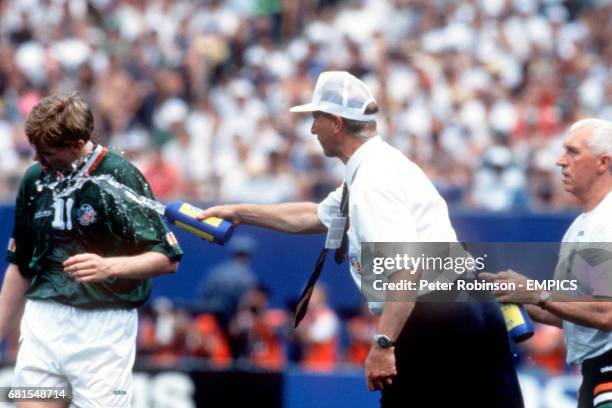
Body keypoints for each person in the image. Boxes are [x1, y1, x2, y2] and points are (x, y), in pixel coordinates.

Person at [199, 71, 523, 406]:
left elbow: (406, 269)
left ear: (336, 123)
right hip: (466, 308)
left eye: (316, 119)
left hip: (435, 319)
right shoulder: (381, 166)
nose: (312, 129)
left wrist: (384, 343)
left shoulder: (371, 182)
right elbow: (311, 216)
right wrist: (238, 212)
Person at [0, 92, 183, 408]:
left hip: (102, 331)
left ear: (76, 144)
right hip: (43, 323)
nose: (36, 159)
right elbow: (20, 264)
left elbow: (168, 258)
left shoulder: (119, 176)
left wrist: (109, 267)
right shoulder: (35, 180)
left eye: (46, 152)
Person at [482, 118, 612, 408]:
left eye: (573, 152)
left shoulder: (608, 220)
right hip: (593, 372)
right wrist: (509, 295)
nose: (559, 161)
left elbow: (607, 313)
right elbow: (572, 313)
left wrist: (535, 293)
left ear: (603, 163)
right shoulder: (582, 224)